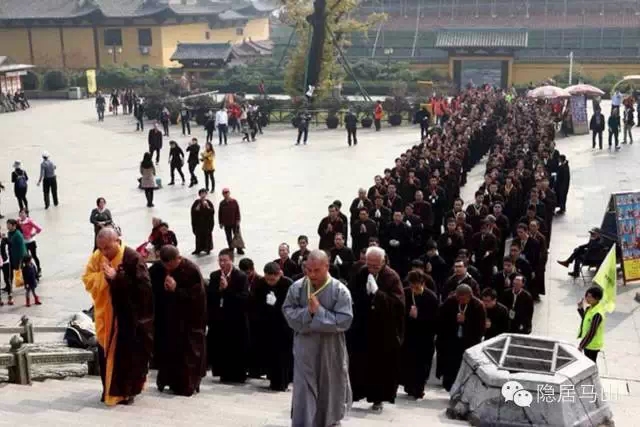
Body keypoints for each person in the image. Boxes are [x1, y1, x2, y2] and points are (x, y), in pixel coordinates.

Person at [82, 227, 153, 406]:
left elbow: (144, 290)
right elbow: (87, 278)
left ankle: (127, 393)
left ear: (117, 241)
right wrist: (103, 278)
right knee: (105, 357)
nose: (104, 252)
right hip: (105, 316)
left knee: (128, 358)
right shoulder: (97, 257)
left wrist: (117, 278)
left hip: (127, 319)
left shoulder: (132, 258)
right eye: (101, 248)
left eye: (107, 247)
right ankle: (108, 391)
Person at [282, 249, 353, 427]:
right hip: (305, 348)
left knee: (330, 388)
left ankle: (329, 422)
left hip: (331, 349)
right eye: (308, 270)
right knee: (304, 389)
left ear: (327, 267)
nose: (312, 274)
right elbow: (288, 313)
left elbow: (344, 321)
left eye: (316, 270)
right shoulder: (297, 288)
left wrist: (319, 312)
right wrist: (308, 313)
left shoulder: (340, 291)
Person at [348, 246, 405, 412]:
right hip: (363, 327)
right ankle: (354, 394)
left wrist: (378, 293)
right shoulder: (362, 272)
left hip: (383, 330)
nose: (372, 269)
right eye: (369, 264)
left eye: (375, 265)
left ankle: (378, 399)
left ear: (383, 262)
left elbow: (398, 304)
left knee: (380, 367)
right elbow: (351, 293)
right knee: (358, 363)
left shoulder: (392, 277)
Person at [151, 245, 206, 396]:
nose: (168, 269)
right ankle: (167, 381)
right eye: (165, 265)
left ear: (178, 258)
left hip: (188, 322)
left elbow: (197, 298)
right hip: (168, 319)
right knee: (168, 352)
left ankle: (187, 385)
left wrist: (177, 290)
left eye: (171, 265)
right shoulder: (159, 269)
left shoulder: (191, 271)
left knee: (187, 355)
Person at [207, 248, 250, 383]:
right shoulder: (215, 276)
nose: (222, 263)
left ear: (231, 260)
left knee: (235, 347)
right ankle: (222, 373)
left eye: (225, 260)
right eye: (220, 260)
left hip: (236, 318)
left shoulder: (241, 276)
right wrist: (219, 290)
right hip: (220, 317)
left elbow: (244, 298)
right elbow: (210, 296)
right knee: (221, 347)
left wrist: (227, 289)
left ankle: (237, 375)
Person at [436, 284, 486, 391]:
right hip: (451, 340)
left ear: (470, 296)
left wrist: (466, 321)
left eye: (464, 299)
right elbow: (441, 319)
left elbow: (480, 327)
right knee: (450, 366)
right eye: (459, 298)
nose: (461, 301)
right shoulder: (450, 302)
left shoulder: (478, 306)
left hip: (468, 342)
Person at [252, 262, 293, 391]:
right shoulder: (260, 284)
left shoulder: (287, 284)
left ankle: (283, 382)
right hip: (267, 325)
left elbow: (292, 304)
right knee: (270, 354)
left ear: (279, 274)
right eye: (268, 279)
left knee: (283, 356)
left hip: (283, 325)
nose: (270, 282)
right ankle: (273, 380)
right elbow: (255, 303)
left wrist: (277, 303)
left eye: (273, 279)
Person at [401, 270, 438, 399]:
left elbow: (434, 319)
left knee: (422, 364)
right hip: (409, 335)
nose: (414, 289)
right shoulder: (405, 293)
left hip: (424, 336)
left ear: (422, 283)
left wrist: (419, 316)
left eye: (416, 286)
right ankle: (409, 386)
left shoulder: (431, 297)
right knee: (408, 362)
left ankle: (419, 388)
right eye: (412, 286)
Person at [577, 286, 606, 363]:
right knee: (589, 362)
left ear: (597, 298)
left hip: (592, 344)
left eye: (589, 297)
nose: (587, 298)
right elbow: (586, 319)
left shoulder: (598, 313)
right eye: (586, 295)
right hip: (588, 342)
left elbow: (592, 332)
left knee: (590, 363)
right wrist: (580, 308)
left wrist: (581, 346)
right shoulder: (590, 308)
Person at [6, 219, 27, 306]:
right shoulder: (9, 233)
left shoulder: (18, 235)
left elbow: (22, 249)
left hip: (18, 258)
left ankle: (27, 283)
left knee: (22, 272)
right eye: (7, 224)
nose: (7, 226)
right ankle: (9, 288)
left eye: (9, 225)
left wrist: (20, 260)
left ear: (14, 225)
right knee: (10, 274)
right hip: (11, 257)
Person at [218, 188, 244, 255]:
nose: (226, 194)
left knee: (237, 236)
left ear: (229, 193)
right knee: (228, 236)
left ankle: (239, 249)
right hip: (226, 223)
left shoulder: (234, 201)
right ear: (223, 194)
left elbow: (237, 211)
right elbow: (220, 213)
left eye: (227, 192)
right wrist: (220, 223)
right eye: (224, 193)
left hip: (234, 222)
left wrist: (238, 220)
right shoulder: (222, 203)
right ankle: (231, 248)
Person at [190, 189, 215, 255]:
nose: (203, 195)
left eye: (204, 193)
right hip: (199, 223)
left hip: (207, 223)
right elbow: (193, 212)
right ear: (199, 195)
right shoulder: (196, 202)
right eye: (201, 193)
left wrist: (207, 206)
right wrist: (197, 208)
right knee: (198, 237)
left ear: (206, 194)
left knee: (207, 236)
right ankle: (198, 249)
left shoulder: (208, 202)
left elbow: (212, 212)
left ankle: (207, 249)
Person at [18, 209, 42, 278]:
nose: (21, 214)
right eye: (20, 213)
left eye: (23, 213)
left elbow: (39, 229)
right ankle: (30, 272)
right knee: (25, 258)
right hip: (23, 243)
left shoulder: (29, 221)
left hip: (31, 242)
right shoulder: (18, 222)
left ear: (26, 214)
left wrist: (32, 234)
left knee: (34, 256)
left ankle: (38, 269)